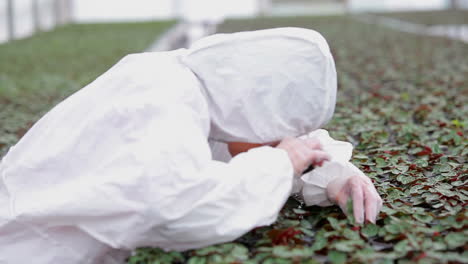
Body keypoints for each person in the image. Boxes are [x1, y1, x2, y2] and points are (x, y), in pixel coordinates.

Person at [0, 27, 382, 264]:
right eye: (274, 132)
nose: (277, 143)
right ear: (252, 108)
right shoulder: (162, 100)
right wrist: (280, 165)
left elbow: (243, 147)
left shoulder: (197, 88)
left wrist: (332, 174)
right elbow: (179, 209)